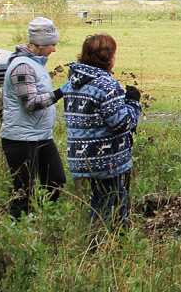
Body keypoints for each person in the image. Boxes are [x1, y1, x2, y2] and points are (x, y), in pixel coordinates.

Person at [61, 33, 142, 233]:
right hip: (105, 159)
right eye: (113, 54)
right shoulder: (106, 85)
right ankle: (96, 244)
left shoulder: (73, 82)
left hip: (80, 155)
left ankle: (121, 235)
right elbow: (122, 123)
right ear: (107, 57)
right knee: (104, 204)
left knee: (117, 196)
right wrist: (133, 102)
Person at [0, 17, 65, 219]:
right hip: (20, 139)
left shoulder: (36, 64)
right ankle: (17, 234)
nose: (54, 49)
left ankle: (40, 221)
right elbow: (30, 103)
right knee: (23, 192)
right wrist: (61, 92)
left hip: (41, 135)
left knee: (56, 181)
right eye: (52, 44)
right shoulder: (22, 66)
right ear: (40, 44)